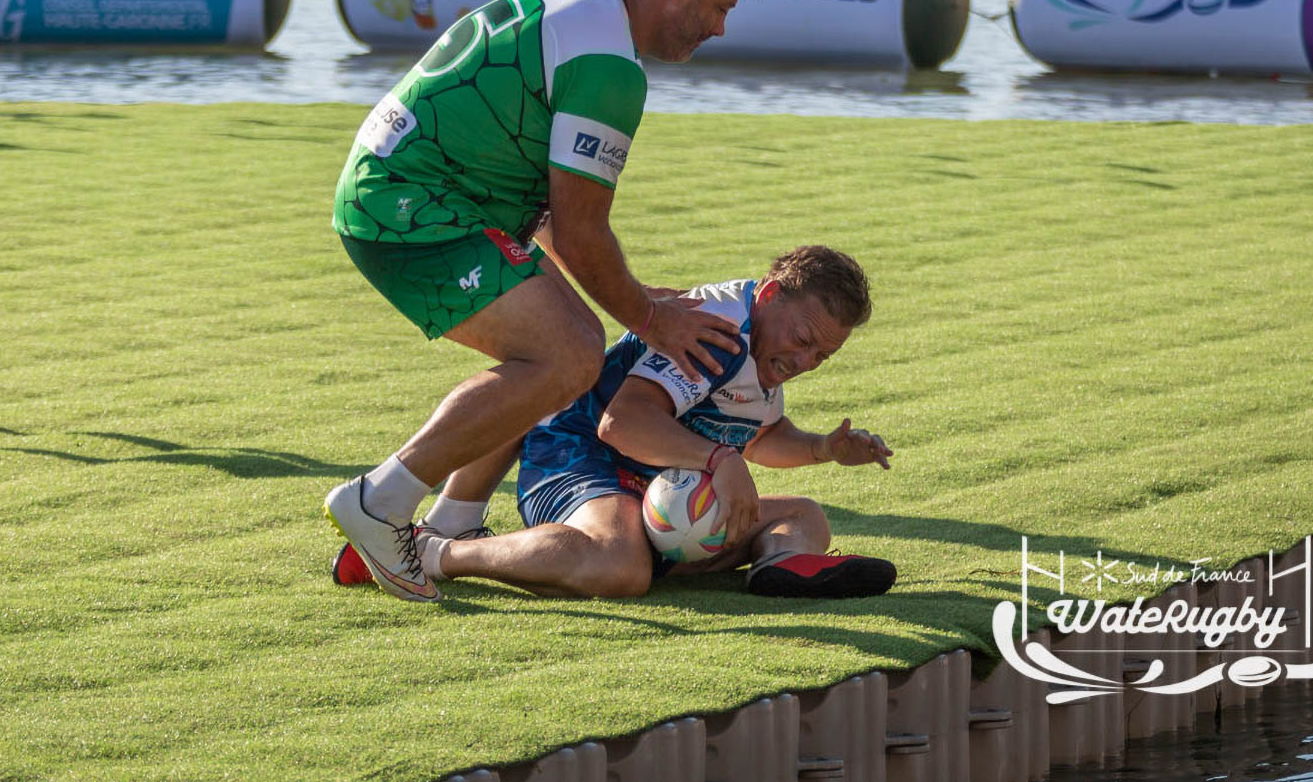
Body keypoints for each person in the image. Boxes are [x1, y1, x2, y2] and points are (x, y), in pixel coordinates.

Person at [326, 0, 755, 602]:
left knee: (567, 344)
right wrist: (653, 319)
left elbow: (553, 212)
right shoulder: (609, 63)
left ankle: (450, 522)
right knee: (568, 355)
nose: (720, 28)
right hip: (408, 207)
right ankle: (380, 501)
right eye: (719, 6)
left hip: (408, 191)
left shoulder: (583, 2)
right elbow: (581, 232)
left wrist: (638, 299)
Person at [335, 245, 897, 600]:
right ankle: (433, 552)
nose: (804, 362)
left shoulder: (764, 344)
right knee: (622, 568)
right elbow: (621, 423)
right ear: (770, 295)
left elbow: (761, 436)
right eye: (803, 340)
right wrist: (719, 460)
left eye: (822, 356)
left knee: (804, 515)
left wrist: (823, 448)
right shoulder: (721, 330)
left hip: (654, 485)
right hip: (581, 453)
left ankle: (779, 567)